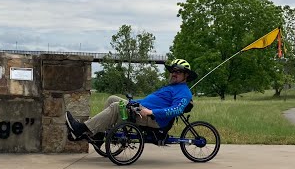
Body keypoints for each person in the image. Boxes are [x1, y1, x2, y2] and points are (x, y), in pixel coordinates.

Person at [65, 58, 198, 145]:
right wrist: (133, 102)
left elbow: (177, 110)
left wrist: (152, 111)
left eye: (178, 72)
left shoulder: (184, 92)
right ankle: (98, 136)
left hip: (152, 119)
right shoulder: (171, 87)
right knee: (112, 98)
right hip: (141, 108)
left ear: (186, 75)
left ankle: (80, 129)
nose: (174, 74)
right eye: (173, 71)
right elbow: (149, 100)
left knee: (117, 106)